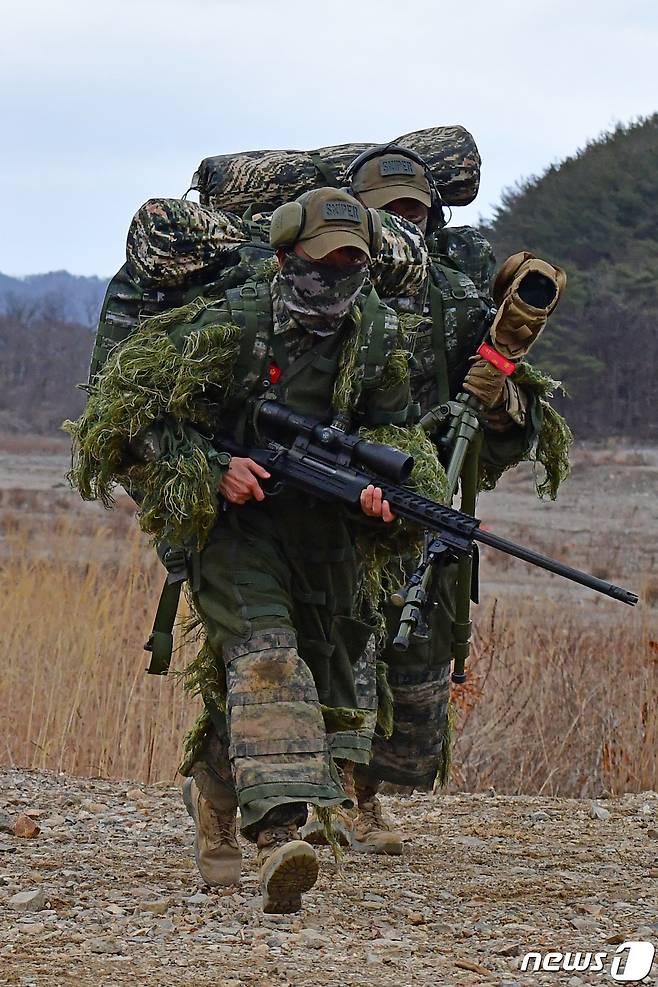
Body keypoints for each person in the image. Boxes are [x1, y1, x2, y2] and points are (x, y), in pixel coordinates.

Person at [67, 187, 417, 912]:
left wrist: (386, 492)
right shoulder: (229, 324)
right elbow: (125, 417)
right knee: (266, 661)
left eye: (352, 265)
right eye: (322, 265)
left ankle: (216, 793)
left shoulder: (375, 335)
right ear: (286, 257)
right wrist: (211, 466)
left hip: (322, 532)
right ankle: (277, 837)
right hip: (231, 528)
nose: (335, 282)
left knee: (309, 682)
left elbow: (396, 431)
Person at [319, 145, 567, 855]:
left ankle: (366, 799)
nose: (402, 226)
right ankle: (307, 792)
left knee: (414, 660)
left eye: (414, 213)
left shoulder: (454, 297)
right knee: (333, 646)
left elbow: (520, 416)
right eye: (387, 213)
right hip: (333, 493)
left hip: (422, 504)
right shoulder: (325, 284)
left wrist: (497, 402)